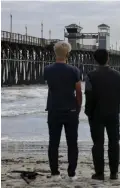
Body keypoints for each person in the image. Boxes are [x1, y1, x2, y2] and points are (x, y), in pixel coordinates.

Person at [85, 49, 120, 180]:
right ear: (108, 58)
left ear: (95, 60)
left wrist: (88, 112)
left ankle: (99, 173)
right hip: (113, 112)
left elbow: (89, 95)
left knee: (98, 144)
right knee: (114, 142)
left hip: (96, 114)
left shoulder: (90, 76)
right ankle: (114, 173)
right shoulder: (118, 75)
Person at [44, 41, 82, 180]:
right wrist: (77, 109)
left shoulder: (47, 70)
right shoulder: (74, 71)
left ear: (56, 53)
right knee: (72, 143)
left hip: (54, 109)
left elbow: (51, 86)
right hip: (70, 110)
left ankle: (54, 173)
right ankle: (71, 174)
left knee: (53, 143)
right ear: (67, 53)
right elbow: (78, 92)